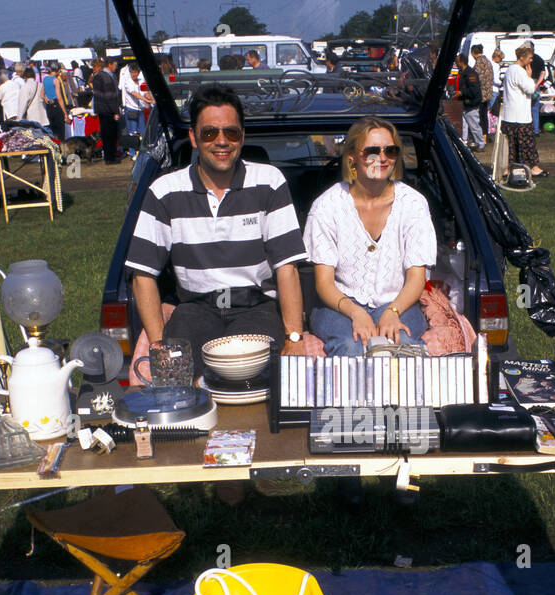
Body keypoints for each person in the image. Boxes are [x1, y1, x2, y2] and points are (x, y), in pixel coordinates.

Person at [125, 84, 308, 379]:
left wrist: (295, 338)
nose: (221, 141)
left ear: (242, 137)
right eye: (209, 133)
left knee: (251, 379)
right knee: (177, 383)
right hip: (195, 310)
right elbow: (143, 275)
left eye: (231, 133)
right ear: (193, 138)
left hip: (256, 309)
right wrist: (159, 347)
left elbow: (287, 268)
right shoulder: (164, 191)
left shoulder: (269, 182)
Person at [303, 117, 435, 356]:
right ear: (352, 156)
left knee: (399, 344)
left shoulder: (414, 204)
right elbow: (323, 283)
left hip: (399, 303)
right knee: (351, 344)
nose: (382, 158)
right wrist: (356, 313)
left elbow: (417, 277)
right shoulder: (327, 206)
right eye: (372, 151)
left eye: (390, 150)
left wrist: (393, 312)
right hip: (338, 306)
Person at [502, 45, 546, 177]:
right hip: (520, 116)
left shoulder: (510, 70)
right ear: (522, 57)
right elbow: (531, 89)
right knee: (526, 144)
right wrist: (531, 77)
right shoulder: (519, 72)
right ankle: (532, 168)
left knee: (512, 146)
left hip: (510, 114)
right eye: (530, 58)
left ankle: (509, 169)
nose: (531, 60)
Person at [120, 62, 152, 160]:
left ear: (138, 72)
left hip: (140, 109)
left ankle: (142, 151)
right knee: (132, 132)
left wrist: (150, 98)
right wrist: (146, 100)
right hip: (130, 109)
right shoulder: (127, 82)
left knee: (142, 131)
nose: (134, 74)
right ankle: (132, 153)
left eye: (135, 72)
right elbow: (134, 94)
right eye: (132, 72)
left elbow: (145, 92)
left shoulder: (141, 80)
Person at [92, 58, 122, 163]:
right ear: (109, 65)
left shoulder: (98, 76)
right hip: (108, 109)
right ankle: (110, 157)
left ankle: (109, 156)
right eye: (115, 64)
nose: (116, 67)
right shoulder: (107, 77)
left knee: (106, 134)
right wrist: (115, 111)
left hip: (102, 109)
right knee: (110, 134)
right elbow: (110, 96)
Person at [455, 53, 484, 150]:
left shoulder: (470, 74)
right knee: (463, 125)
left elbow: (474, 89)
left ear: (461, 62)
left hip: (471, 103)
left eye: (457, 61)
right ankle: (464, 142)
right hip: (463, 103)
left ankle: (480, 144)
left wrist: (462, 92)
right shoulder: (461, 72)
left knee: (474, 125)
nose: (455, 62)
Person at [473, 45, 494, 141]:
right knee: (484, 115)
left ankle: (482, 137)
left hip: (480, 93)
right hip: (488, 92)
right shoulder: (488, 62)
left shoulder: (478, 63)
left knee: (479, 115)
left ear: (473, 53)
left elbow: (476, 79)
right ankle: (485, 134)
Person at [42, 65, 66, 139]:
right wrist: (65, 113)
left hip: (49, 106)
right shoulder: (56, 80)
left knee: (53, 129)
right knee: (60, 131)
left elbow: (41, 94)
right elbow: (59, 97)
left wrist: (46, 99)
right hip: (56, 105)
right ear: (58, 71)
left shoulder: (45, 79)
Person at [528, 47, 547, 135]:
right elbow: (543, 73)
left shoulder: (526, 59)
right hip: (536, 83)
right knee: (535, 108)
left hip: (528, 82)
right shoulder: (539, 59)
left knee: (527, 107)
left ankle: (528, 129)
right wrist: (537, 84)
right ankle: (535, 130)